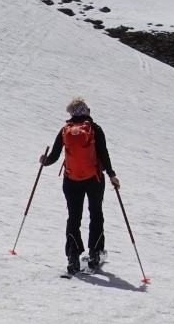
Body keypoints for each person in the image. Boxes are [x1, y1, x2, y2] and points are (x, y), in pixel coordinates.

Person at [40, 96, 119, 273]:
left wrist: (44, 161)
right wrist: (112, 175)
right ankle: (95, 252)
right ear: (85, 111)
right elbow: (104, 155)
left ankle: (73, 256)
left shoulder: (65, 130)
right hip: (94, 179)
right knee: (96, 213)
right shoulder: (95, 129)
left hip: (71, 180)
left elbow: (53, 156)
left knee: (74, 217)